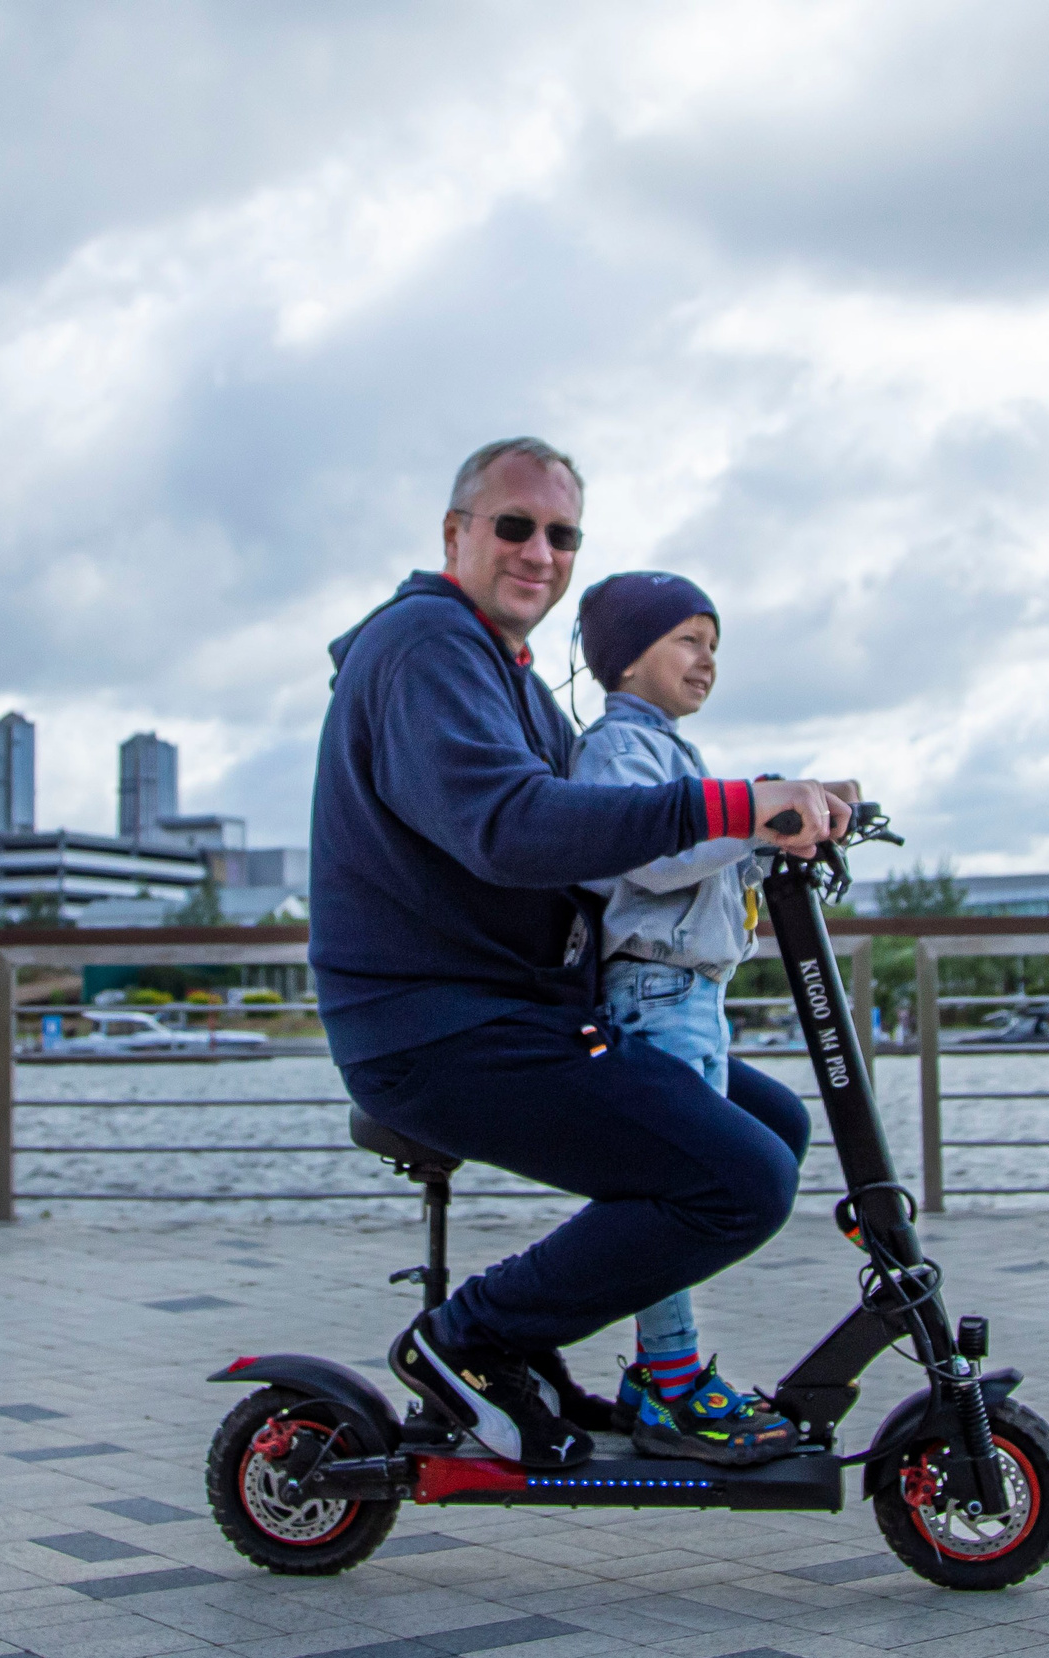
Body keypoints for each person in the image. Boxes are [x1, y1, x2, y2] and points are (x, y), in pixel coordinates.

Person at [311, 435, 852, 1469]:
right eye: (514, 526)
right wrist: (742, 804)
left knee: (766, 1125)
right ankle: (468, 1340)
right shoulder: (426, 648)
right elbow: (516, 826)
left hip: (514, 1013)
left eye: (562, 535)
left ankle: (598, 1356)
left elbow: (607, 819)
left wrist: (785, 803)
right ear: (455, 534)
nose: (538, 552)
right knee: (735, 1179)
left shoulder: (500, 670)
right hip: (438, 1030)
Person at [568, 570, 843, 1467]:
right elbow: (651, 853)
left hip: (694, 996)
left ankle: (665, 1365)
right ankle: (671, 1379)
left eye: (713, 643)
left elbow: (712, 861)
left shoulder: (677, 754)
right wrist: (758, 817)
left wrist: (785, 829)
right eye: (688, 639)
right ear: (626, 658)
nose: (707, 658)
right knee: (688, 1187)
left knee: (740, 1159)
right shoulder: (617, 750)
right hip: (653, 993)